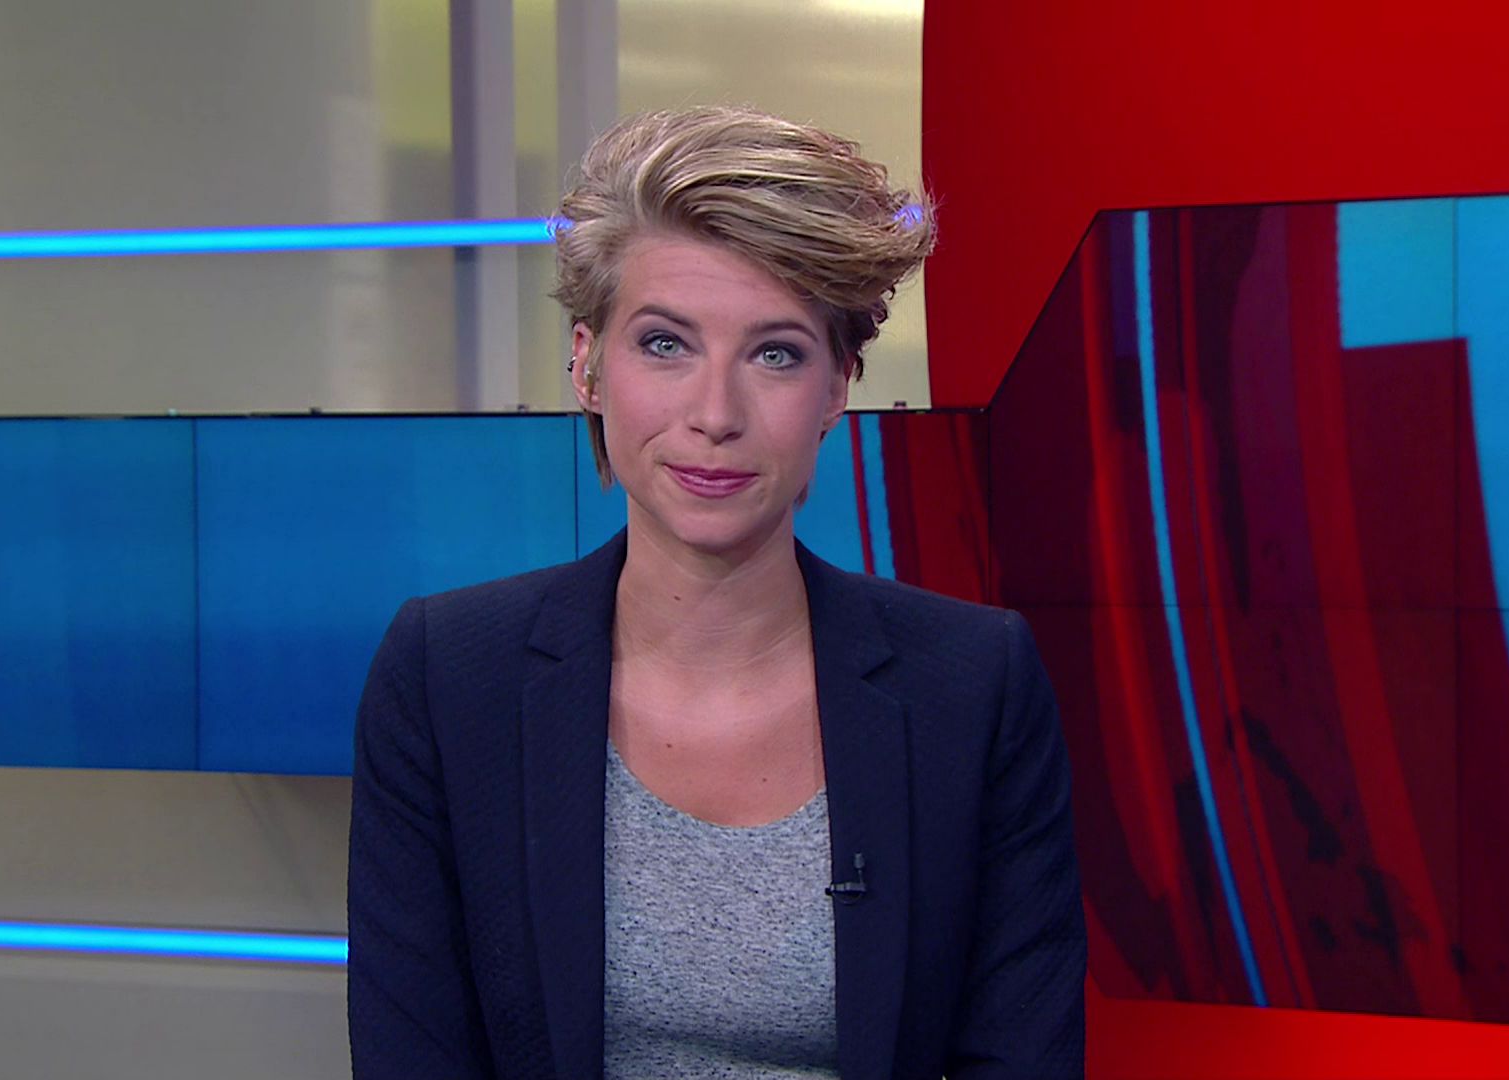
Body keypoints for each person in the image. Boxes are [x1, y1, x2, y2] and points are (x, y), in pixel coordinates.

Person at [347, 105, 1086, 1079]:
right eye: (665, 344)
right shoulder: (449, 675)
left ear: (837, 388)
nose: (715, 414)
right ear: (586, 365)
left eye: (775, 354)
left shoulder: (973, 683)